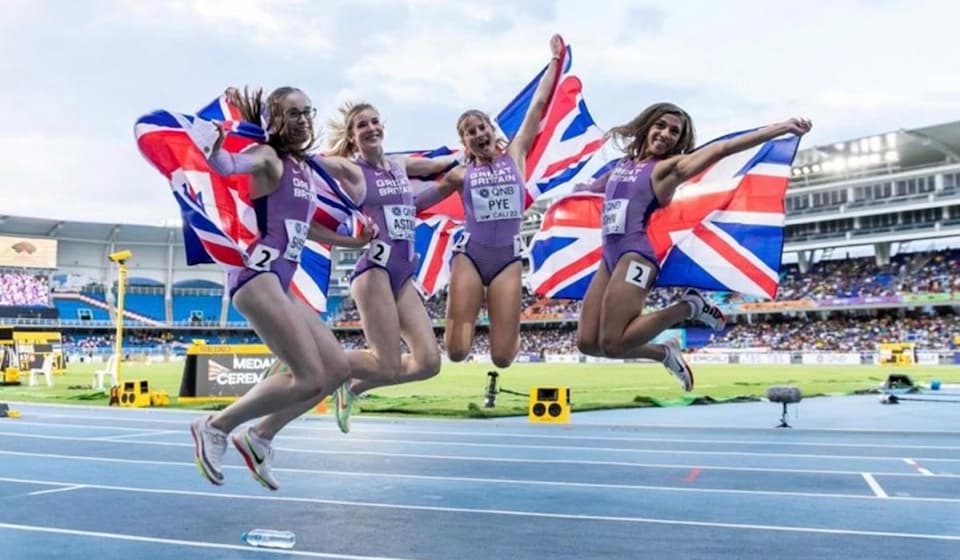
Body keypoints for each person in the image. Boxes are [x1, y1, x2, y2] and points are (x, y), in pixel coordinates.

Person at [574, 103, 812, 390]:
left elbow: (721, 149)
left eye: (674, 132)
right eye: (660, 126)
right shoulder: (623, 166)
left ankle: (688, 307)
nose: (665, 134)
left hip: (635, 257)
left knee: (613, 344)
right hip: (608, 259)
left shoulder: (668, 169)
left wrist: (781, 127)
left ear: (680, 141)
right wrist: (577, 193)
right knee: (588, 343)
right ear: (647, 125)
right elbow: (593, 189)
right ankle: (664, 352)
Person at [189, 86, 355, 491]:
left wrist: (355, 243)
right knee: (307, 377)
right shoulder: (269, 158)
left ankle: (259, 437)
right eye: (292, 113)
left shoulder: (304, 170)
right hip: (255, 275)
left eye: (306, 112)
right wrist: (214, 148)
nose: (302, 120)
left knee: (336, 370)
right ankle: (215, 425)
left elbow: (306, 226)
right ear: (274, 120)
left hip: (281, 284)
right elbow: (227, 165)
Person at [302, 101, 458, 433]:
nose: (371, 128)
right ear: (352, 136)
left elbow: (441, 165)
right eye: (362, 125)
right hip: (375, 270)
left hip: (403, 273)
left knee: (428, 363)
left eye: (374, 121)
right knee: (386, 363)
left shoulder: (400, 164)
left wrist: (472, 157)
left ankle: (352, 388)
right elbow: (310, 164)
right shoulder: (352, 170)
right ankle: (300, 358)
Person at [412, 34, 566, 369]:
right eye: (470, 131)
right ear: (464, 142)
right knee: (455, 352)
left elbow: (537, 106)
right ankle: (472, 310)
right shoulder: (458, 176)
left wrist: (554, 62)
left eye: (481, 126)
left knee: (502, 359)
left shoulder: (516, 155)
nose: (478, 133)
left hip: (507, 260)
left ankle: (510, 331)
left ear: (491, 131)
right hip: (470, 256)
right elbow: (420, 203)